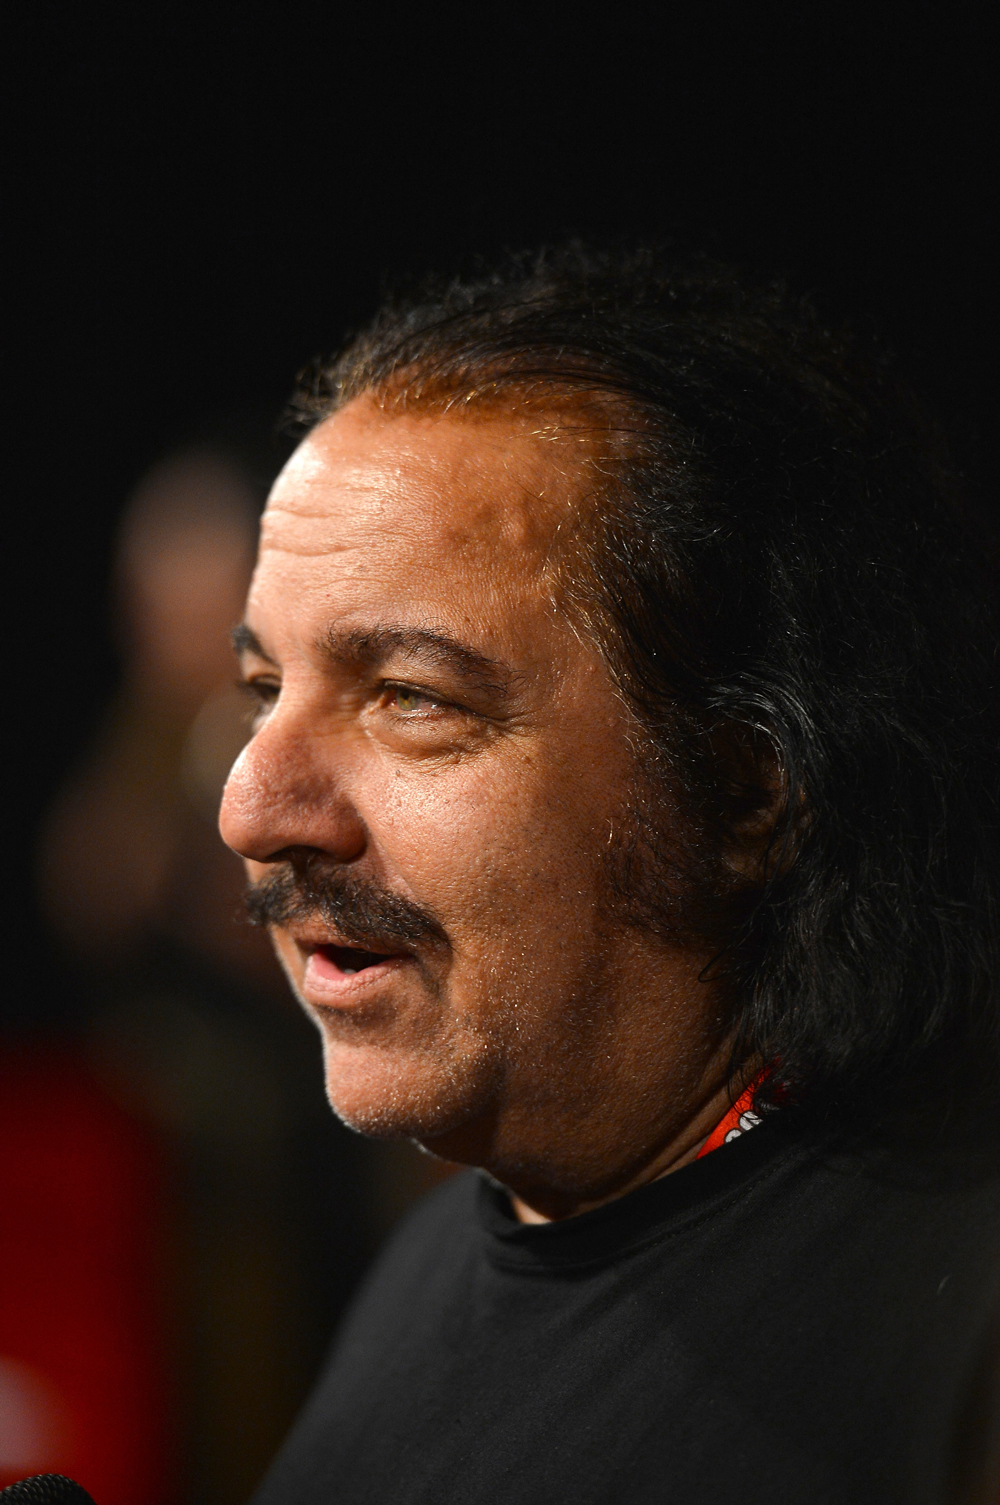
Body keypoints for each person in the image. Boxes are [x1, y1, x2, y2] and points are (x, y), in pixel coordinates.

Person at [218, 244, 1000, 1504]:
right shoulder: (425, 1265)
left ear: (742, 789)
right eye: (264, 688)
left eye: (411, 696)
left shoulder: (955, 1335)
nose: (251, 807)